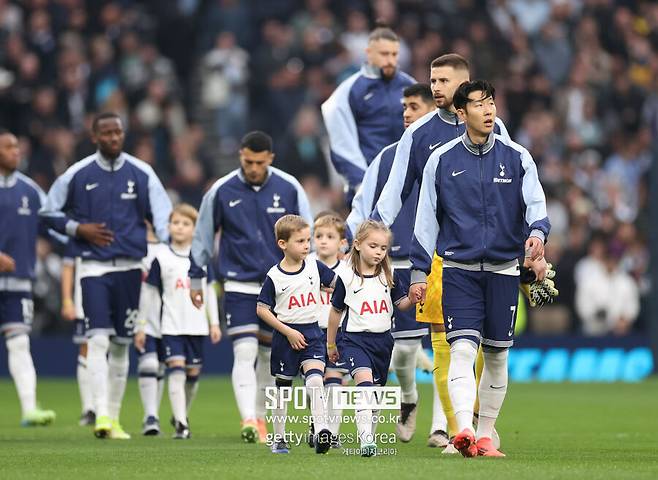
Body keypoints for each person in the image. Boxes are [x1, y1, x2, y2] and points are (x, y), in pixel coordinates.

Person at [371, 54, 511, 452]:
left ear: (465, 86)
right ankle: (456, 430)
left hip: (491, 257)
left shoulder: (495, 129)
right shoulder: (417, 134)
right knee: (449, 344)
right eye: (432, 80)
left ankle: (478, 421)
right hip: (440, 258)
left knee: (485, 347)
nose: (434, 87)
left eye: (443, 81)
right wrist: (370, 240)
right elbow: (394, 191)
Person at [409, 80, 550, 457]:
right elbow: (426, 220)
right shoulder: (441, 160)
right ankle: (465, 430)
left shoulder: (517, 156)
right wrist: (419, 273)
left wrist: (537, 234)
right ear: (461, 112)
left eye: (491, 103)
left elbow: (536, 204)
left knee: (498, 355)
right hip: (459, 269)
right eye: (478, 105)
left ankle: (486, 436)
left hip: (504, 269)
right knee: (462, 351)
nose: (488, 111)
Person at [40, 112, 172, 439]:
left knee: (122, 344)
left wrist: (166, 252)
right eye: (107, 133)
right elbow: (47, 213)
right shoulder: (78, 174)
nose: (114, 138)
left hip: (130, 268)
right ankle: (101, 413)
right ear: (95, 136)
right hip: (94, 268)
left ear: (123, 134)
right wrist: (76, 230)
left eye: (118, 132)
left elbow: (164, 217)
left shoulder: (142, 174)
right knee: (97, 339)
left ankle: (112, 418)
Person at [189, 131, 313, 443]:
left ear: (270, 158)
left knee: (269, 357)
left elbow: (305, 236)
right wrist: (195, 276)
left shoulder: (289, 188)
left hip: (280, 286)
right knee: (244, 350)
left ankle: (260, 417)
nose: (253, 167)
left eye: (259, 162)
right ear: (240, 156)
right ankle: (248, 419)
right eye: (248, 161)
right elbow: (203, 235)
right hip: (238, 283)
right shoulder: (221, 190)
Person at [347, 83, 443, 444]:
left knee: (446, 344)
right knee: (403, 351)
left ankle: (442, 427)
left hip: (441, 260)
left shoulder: (453, 151)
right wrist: (354, 244)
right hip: (395, 263)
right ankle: (408, 398)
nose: (405, 112)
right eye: (403, 106)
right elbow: (363, 206)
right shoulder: (387, 157)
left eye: (413, 106)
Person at [327, 220, 419, 457]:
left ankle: (369, 434)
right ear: (357, 244)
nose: (378, 252)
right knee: (365, 385)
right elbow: (335, 312)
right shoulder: (346, 277)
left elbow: (402, 305)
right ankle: (366, 441)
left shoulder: (389, 275)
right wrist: (331, 343)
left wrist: (413, 297)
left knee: (375, 393)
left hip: (383, 342)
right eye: (373, 246)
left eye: (383, 248)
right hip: (354, 341)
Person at [136, 204, 221, 439]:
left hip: (196, 326)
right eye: (176, 223)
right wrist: (142, 324)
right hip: (171, 326)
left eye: (185, 224)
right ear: (168, 226)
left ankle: (181, 413)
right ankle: (182, 425)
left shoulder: (201, 258)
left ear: (194, 229)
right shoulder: (161, 257)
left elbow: (210, 291)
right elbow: (150, 293)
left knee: (193, 376)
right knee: (175, 371)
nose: (180, 228)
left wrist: (214, 323)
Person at [256, 214, 336, 455]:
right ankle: (279, 437)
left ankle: (322, 430)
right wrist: (288, 331)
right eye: (300, 241)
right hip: (285, 335)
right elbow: (261, 309)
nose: (307, 246)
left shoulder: (314, 265)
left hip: (312, 332)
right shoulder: (275, 276)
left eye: (307, 240)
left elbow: (336, 285)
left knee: (314, 380)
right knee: (283, 388)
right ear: (283, 244)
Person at [0, 128, 56, 426]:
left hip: (19, 281)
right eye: (9, 147)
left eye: (17, 146)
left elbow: (53, 221)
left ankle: (30, 408)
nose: (16, 151)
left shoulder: (30, 190)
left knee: (19, 343)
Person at [321, 25, 415, 200]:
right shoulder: (350, 91)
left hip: (406, 185)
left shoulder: (410, 86)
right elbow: (341, 144)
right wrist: (360, 184)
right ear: (369, 53)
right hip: (367, 183)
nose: (390, 60)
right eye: (384, 54)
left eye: (394, 54)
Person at [307, 212, 350, 447]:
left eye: (330, 236)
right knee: (314, 384)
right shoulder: (305, 266)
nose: (323, 240)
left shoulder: (347, 269)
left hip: (338, 334)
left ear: (342, 243)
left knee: (334, 382)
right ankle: (317, 423)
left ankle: (330, 434)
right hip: (311, 332)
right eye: (319, 236)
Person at [133, 227, 167, 436]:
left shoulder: (166, 250)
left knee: (161, 366)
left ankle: (153, 416)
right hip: (145, 317)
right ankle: (150, 415)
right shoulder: (131, 245)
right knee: (149, 363)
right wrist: (141, 324)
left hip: (169, 319)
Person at [60, 244, 94, 426]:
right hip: (84, 301)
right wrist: (67, 300)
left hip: (111, 300)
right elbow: (68, 267)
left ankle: (107, 408)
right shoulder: (79, 231)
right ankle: (89, 408)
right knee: (86, 350)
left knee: (112, 351)